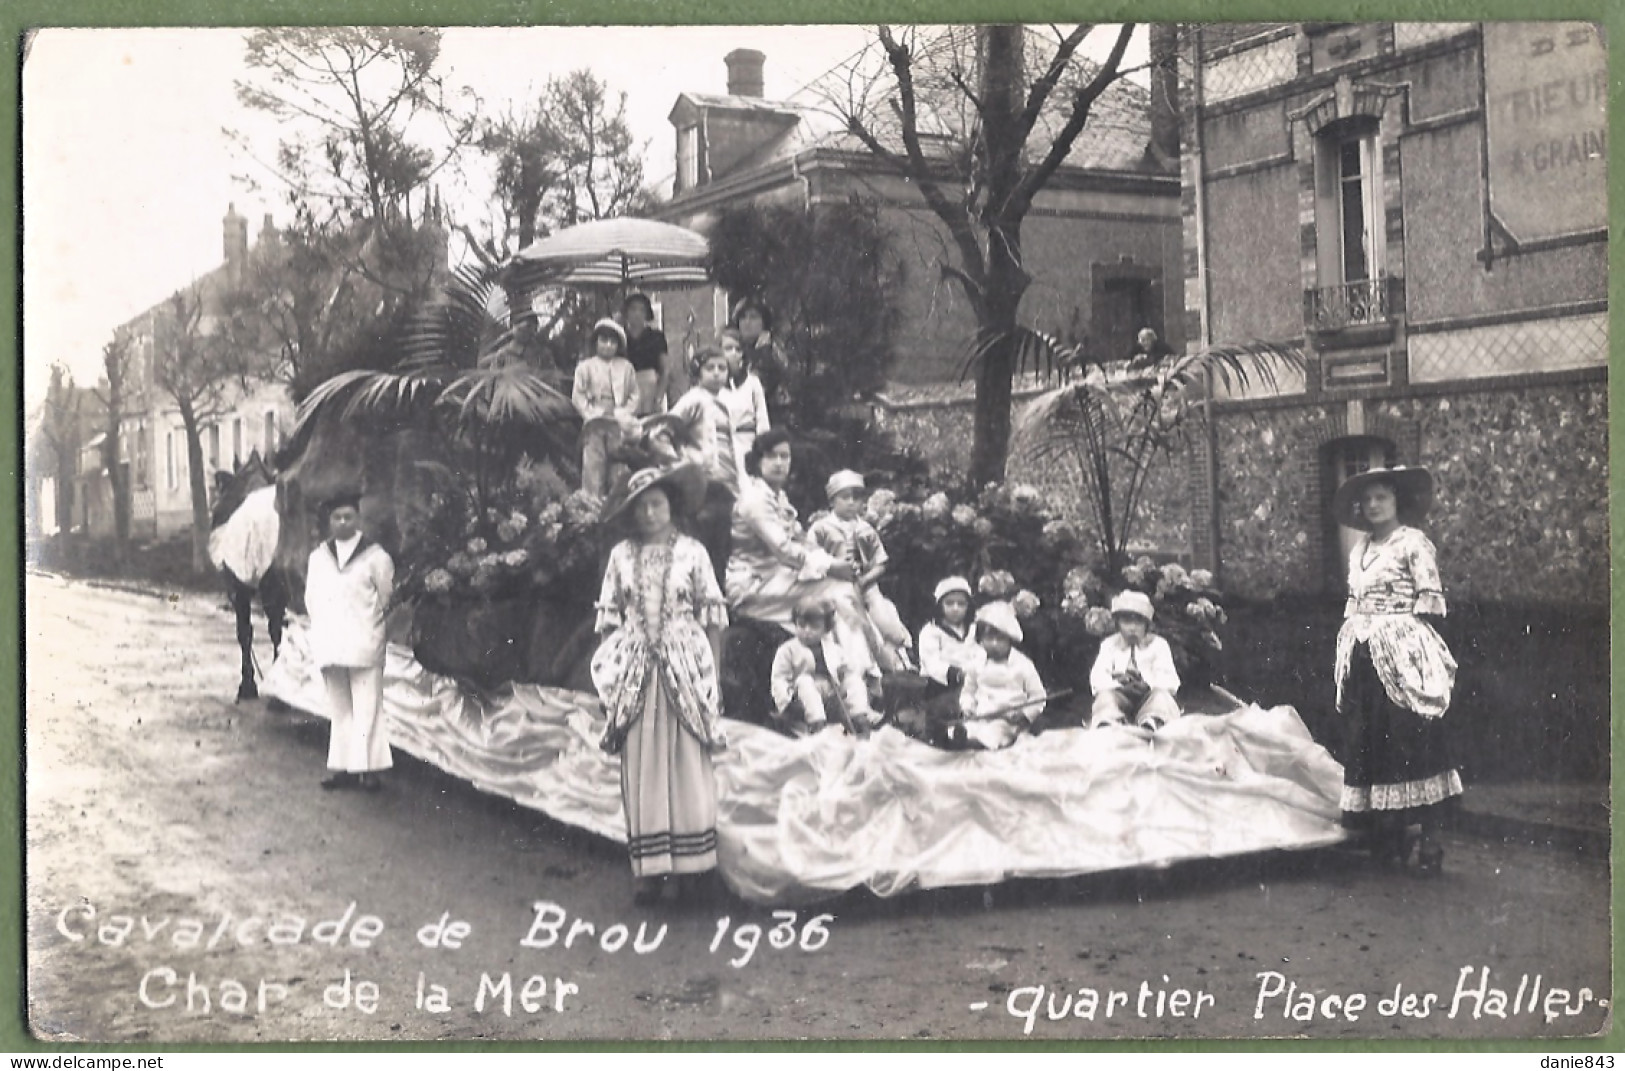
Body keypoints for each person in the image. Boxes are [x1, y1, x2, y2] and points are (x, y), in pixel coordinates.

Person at [589, 463, 729, 905]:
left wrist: (715, 675)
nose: (650, 513)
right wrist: (611, 674)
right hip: (634, 668)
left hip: (684, 661)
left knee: (684, 758)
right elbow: (609, 621)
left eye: (657, 504)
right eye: (642, 507)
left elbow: (713, 618)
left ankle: (688, 870)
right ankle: (648, 870)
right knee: (642, 761)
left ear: (671, 506)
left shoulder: (693, 552)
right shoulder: (620, 556)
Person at [1332, 466, 1460, 874]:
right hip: (1364, 653)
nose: (1373, 505)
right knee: (1371, 741)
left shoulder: (1413, 544)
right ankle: (1388, 834)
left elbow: (1429, 603)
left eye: (1381, 497)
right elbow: (1354, 600)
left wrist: (1409, 647)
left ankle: (1430, 841)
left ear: (1396, 501)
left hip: (1404, 654)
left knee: (1413, 740)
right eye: (1367, 499)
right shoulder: (1360, 549)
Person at [724, 429, 881, 721]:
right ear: (757, 461)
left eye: (785, 456)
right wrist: (832, 567)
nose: (780, 463)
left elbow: (802, 540)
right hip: (754, 586)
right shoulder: (754, 500)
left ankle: (858, 682)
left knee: (842, 590)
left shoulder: (778, 497)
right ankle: (857, 684)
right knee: (836, 593)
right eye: (772, 456)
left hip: (779, 576)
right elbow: (784, 549)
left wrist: (834, 562)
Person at [304, 490, 395, 792]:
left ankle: (368, 771)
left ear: (358, 519)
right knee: (340, 708)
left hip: (365, 641)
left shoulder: (376, 557)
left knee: (367, 706)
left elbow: (386, 598)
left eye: (348, 517)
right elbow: (311, 599)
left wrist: (370, 627)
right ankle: (343, 767)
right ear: (329, 521)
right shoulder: (319, 558)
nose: (343, 522)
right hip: (332, 643)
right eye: (336, 517)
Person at [809, 470, 912, 671]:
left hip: (866, 584)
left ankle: (898, 654)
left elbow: (881, 562)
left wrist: (865, 581)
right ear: (832, 501)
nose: (851, 503)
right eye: (845, 497)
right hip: (834, 585)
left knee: (884, 617)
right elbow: (811, 558)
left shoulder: (865, 529)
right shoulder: (821, 528)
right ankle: (864, 664)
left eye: (856, 498)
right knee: (853, 621)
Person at [660, 346, 739, 580]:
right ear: (698, 372)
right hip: (704, 481)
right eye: (710, 368)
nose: (716, 373)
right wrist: (680, 462)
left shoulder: (731, 400)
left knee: (726, 541)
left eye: (722, 368)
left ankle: (721, 595)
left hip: (730, 480)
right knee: (704, 538)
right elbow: (663, 430)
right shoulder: (694, 399)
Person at [948, 601, 1047, 751]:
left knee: (994, 733)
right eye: (989, 638)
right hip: (981, 715)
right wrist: (968, 707)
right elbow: (968, 691)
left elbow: (1038, 696)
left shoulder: (1022, 664)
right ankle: (963, 738)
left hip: (1008, 719)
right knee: (968, 728)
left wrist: (1025, 715)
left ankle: (977, 744)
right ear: (980, 640)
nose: (994, 644)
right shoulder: (977, 663)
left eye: (1000, 639)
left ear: (1009, 640)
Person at [769, 596, 872, 736]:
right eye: (801, 625)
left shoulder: (832, 648)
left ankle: (859, 717)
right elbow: (779, 678)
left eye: (814, 627)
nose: (807, 631)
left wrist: (843, 673)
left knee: (854, 680)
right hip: (801, 697)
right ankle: (817, 724)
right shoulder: (788, 650)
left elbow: (846, 668)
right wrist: (785, 703)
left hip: (830, 693)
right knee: (804, 680)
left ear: (826, 629)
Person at [1089, 590, 1182, 731]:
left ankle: (1151, 723)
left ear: (1147, 624)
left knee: (1162, 697)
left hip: (1149, 696)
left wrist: (1148, 685)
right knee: (1105, 698)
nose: (1132, 628)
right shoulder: (1109, 644)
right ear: (1118, 623)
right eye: (1126, 621)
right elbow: (1098, 677)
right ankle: (1110, 723)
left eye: (1138, 622)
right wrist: (1118, 685)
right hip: (1120, 696)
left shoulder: (1158, 645)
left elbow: (1169, 678)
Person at [572, 318, 639, 498]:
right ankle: (591, 508)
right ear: (596, 342)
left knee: (618, 467)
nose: (608, 345)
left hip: (618, 423)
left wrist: (625, 412)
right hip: (595, 422)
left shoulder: (626, 367)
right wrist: (590, 413)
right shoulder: (585, 367)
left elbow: (634, 395)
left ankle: (617, 506)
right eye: (604, 340)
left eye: (613, 342)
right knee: (594, 465)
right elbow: (578, 396)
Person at [717, 326, 770, 469]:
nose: (733, 353)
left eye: (738, 349)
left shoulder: (752, 383)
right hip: (722, 451)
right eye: (728, 348)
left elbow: (762, 421)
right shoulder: (714, 386)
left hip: (748, 447)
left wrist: (760, 452)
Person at [731, 296, 791, 418]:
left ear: (763, 322)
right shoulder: (736, 348)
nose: (747, 322)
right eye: (743, 317)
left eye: (753, 317)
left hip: (771, 416)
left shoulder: (772, 350)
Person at [623, 293, 673, 416]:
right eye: (633, 309)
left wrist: (659, 396)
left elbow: (665, 369)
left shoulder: (656, 337)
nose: (637, 314)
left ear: (647, 314)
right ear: (626, 313)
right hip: (626, 388)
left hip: (651, 386)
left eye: (642, 310)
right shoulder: (620, 337)